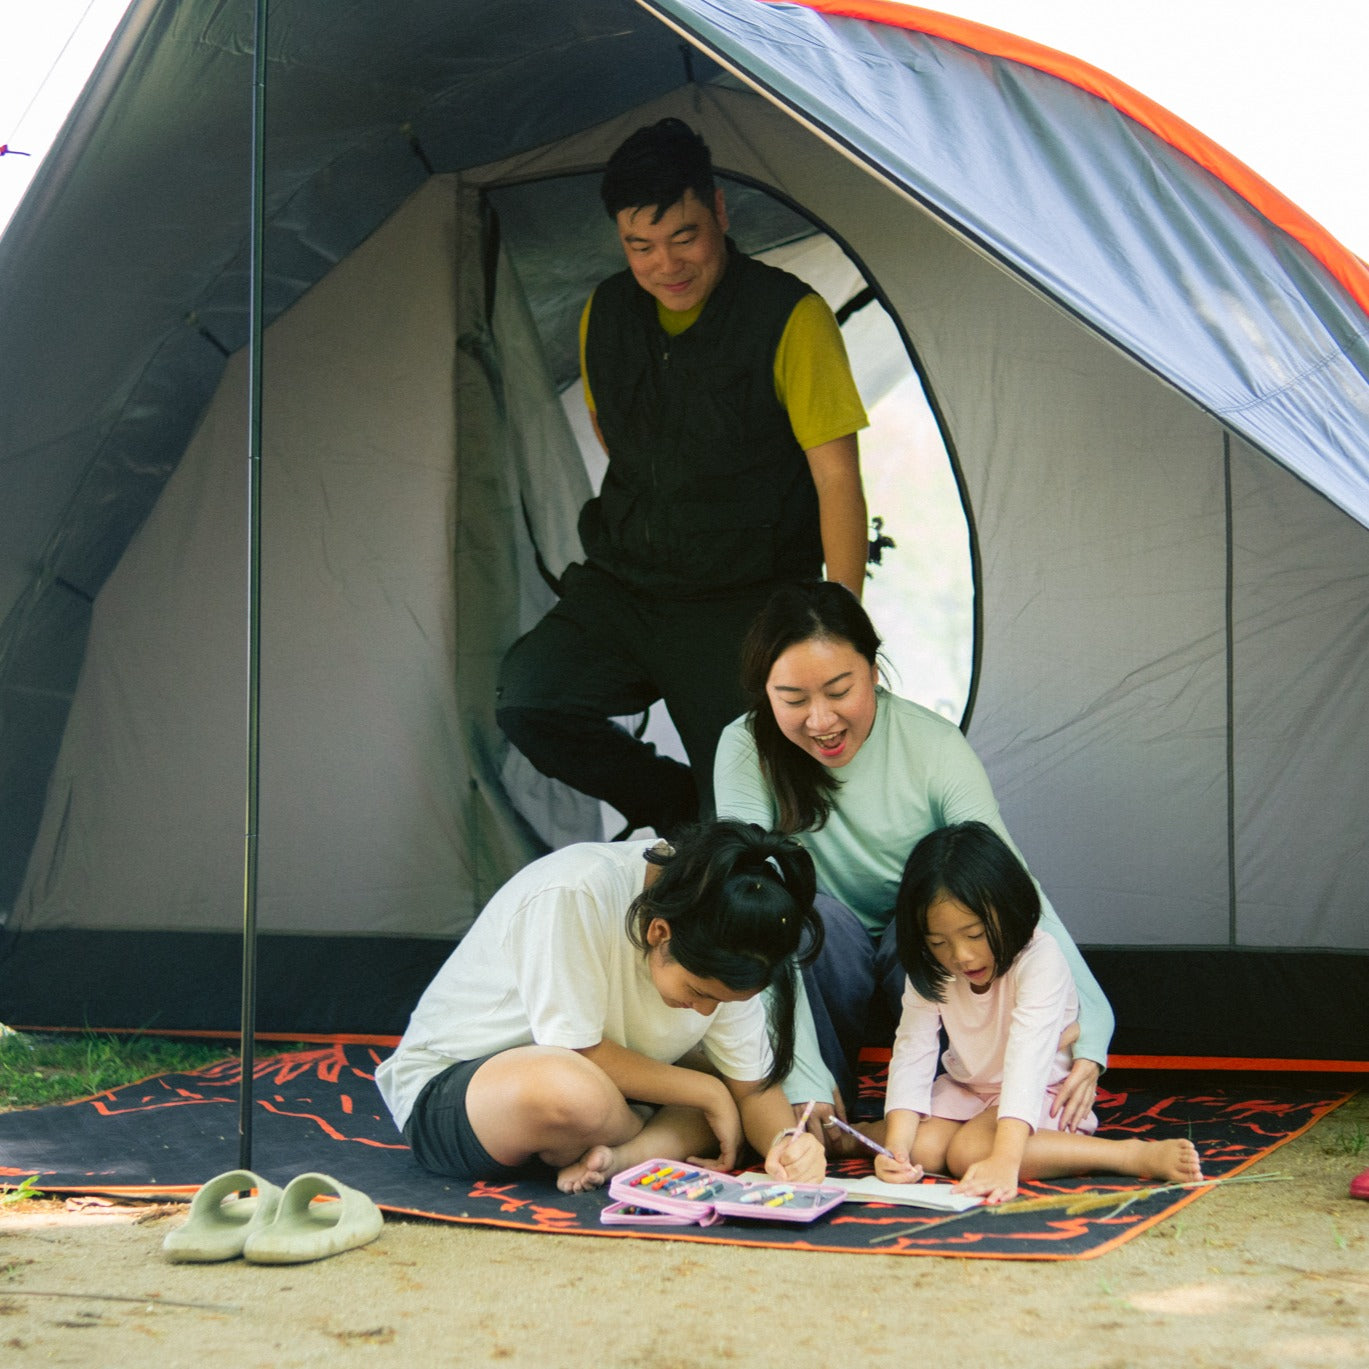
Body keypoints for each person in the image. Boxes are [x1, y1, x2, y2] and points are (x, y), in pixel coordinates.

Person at [496, 117, 869, 837]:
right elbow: (615, 437)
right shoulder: (603, 312)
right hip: (627, 586)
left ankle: (721, 842)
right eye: (639, 246)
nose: (664, 264)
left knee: (751, 809)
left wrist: (836, 629)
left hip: (743, 601)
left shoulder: (790, 317)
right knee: (528, 700)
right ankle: (672, 805)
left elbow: (838, 483)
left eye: (684, 237)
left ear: (720, 214)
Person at [712, 580, 1114, 1142]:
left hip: (921, 943)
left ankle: (938, 1108)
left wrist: (1095, 1023)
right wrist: (801, 1077)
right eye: (794, 700)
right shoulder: (745, 748)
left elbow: (1012, 887)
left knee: (949, 933)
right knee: (805, 920)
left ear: (873, 671)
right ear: (766, 694)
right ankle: (823, 1103)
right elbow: (751, 899)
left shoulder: (933, 746)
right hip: (820, 944)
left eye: (838, 690)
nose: (821, 721)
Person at [375, 821, 828, 1193]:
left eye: (723, 1002)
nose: (705, 1012)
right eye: (699, 992)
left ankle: (619, 1159)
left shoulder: (729, 925)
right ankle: (650, 1139)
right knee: (569, 1088)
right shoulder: (577, 891)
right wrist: (707, 1094)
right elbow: (577, 1052)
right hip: (463, 1093)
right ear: (659, 934)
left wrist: (786, 1142)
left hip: (617, 1094)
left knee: (721, 1086)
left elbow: (752, 1087)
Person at [874, 822, 1202, 1202]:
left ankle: (1129, 1154)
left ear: (1009, 908)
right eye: (938, 941)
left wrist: (1006, 1161)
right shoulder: (932, 968)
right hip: (968, 1089)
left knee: (968, 1153)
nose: (961, 955)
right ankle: (861, 1136)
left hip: (1041, 1089)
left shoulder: (1040, 957)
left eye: (975, 935)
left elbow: (1027, 1060)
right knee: (922, 1150)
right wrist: (893, 1150)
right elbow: (913, 1051)